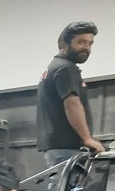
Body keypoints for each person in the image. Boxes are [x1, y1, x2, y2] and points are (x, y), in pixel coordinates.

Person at [37, 21, 104, 167]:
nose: (86, 48)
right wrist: (88, 139)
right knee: (71, 183)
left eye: (90, 43)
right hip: (66, 147)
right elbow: (72, 104)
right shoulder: (66, 68)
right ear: (64, 44)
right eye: (81, 42)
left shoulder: (54, 67)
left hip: (58, 146)